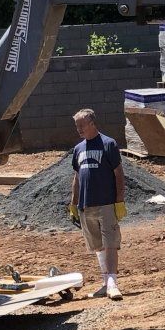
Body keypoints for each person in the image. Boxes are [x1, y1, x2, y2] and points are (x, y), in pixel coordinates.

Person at [67, 107, 127, 300]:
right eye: (77, 126)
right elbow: (77, 177)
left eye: (82, 125)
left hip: (106, 203)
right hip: (86, 205)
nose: (79, 129)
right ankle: (105, 282)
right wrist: (73, 203)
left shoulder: (108, 144)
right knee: (98, 245)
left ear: (92, 123)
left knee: (110, 243)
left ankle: (113, 283)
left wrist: (119, 200)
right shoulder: (78, 149)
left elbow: (118, 174)